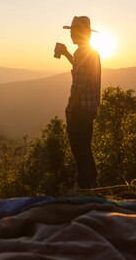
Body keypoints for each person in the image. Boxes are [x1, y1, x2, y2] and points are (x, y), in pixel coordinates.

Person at [54, 16, 101, 189]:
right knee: (86, 146)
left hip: (80, 109)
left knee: (79, 149)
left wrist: (69, 108)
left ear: (82, 33)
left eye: (74, 31)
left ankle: (84, 187)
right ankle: (93, 181)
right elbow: (82, 71)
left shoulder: (82, 53)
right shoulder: (90, 52)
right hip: (91, 108)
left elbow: (79, 86)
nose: (71, 35)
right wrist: (66, 53)